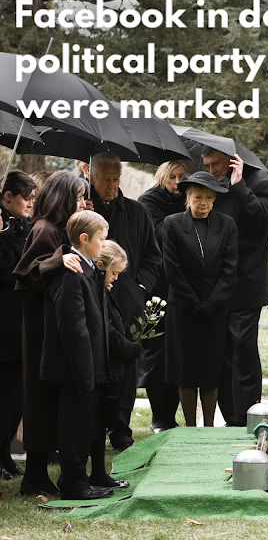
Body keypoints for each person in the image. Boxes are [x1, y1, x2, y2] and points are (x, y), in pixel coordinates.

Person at [13, 170, 87, 497]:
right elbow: (29, 272)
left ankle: (38, 473)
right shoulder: (45, 229)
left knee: (47, 398)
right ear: (63, 198)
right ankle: (34, 476)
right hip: (41, 329)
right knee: (40, 397)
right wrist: (62, 258)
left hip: (52, 325)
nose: (83, 203)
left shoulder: (59, 229)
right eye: (78, 197)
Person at [88, 153, 162, 451]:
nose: (111, 185)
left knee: (128, 367)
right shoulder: (85, 210)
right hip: (93, 299)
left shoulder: (137, 211)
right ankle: (95, 427)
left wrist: (138, 288)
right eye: (105, 179)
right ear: (92, 178)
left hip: (129, 302)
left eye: (115, 179)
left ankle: (121, 428)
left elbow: (153, 257)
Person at [201, 147, 268, 427]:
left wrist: (239, 187)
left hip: (247, 283)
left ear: (232, 161)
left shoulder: (260, 183)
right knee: (223, 354)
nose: (211, 171)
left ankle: (247, 417)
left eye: (215, 165)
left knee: (243, 353)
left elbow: (262, 223)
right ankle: (231, 418)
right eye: (207, 166)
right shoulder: (214, 185)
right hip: (217, 283)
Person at [41, 210, 112, 500]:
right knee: (74, 426)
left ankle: (81, 479)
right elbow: (73, 328)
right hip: (74, 368)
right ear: (84, 239)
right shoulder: (71, 274)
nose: (104, 245)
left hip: (88, 366)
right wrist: (84, 372)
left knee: (84, 425)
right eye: (101, 239)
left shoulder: (88, 268)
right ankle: (72, 484)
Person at [162, 172, 238, 427]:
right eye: (197, 197)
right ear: (188, 197)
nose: (203, 203)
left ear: (214, 198)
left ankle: (208, 426)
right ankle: (190, 427)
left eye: (208, 197)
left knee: (210, 369)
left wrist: (212, 303)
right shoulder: (172, 224)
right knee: (185, 370)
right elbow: (172, 269)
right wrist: (193, 303)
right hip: (183, 310)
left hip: (215, 310)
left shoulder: (227, 224)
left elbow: (230, 269)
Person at [138, 160, 191, 433]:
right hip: (156, 288)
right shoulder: (149, 202)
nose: (178, 182)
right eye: (172, 177)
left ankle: (171, 416)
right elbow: (156, 238)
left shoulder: (188, 200)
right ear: (162, 177)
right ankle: (159, 417)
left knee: (177, 353)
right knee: (156, 354)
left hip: (181, 287)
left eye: (182, 176)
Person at [90, 240, 142, 490]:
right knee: (97, 421)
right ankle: (93, 474)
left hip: (106, 366)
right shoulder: (94, 288)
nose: (116, 279)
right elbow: (106, 329)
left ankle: (99, 472)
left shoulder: (102, 289)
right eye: (114, 273)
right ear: (101, 266)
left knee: (101, 421)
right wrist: (129, 348)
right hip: (97, 366)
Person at [0, 171, 35, 480]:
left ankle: (6, 454)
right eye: (26, 198)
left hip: (20, 323)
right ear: (8, 196)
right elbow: (9, 268)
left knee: (15, 399)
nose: (30, 204)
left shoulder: (24, 225)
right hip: (3, 323)